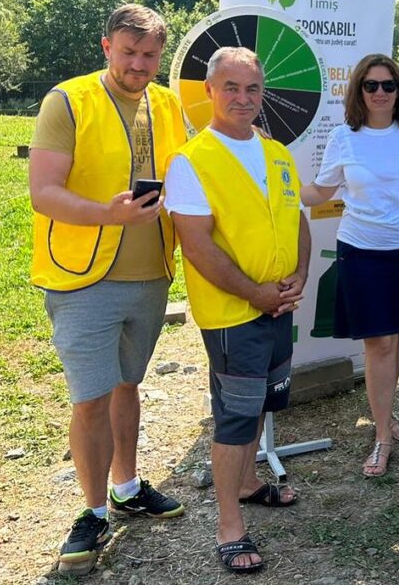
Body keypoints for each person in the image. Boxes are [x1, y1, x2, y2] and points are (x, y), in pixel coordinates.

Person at [29, 4, 187, 576]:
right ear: (106, 47)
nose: (139, 64)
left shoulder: (168, 104)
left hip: (151, 275)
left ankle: (127, 487)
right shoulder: (67, 101)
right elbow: (43, 192)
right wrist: (108, 214)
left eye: (149, 55)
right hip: (82, 278)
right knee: (92, 397)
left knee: (127, 384)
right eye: (128, 52)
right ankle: (93, 513)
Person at [165, 47, 310, 574]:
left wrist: (300, 274)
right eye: (231, 87)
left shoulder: (276, 152)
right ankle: (229, 526)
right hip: (235, 314)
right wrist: (255, 293)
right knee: (234, 417)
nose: (243, 98)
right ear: (209, 91)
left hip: (278, 305)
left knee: (263, 401)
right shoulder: (191, 161)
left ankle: (248, 483)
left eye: (252, 88)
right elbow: (197, 246)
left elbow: (297, 221)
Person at [301, 54, 399, 477]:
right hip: (360, 252)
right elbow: (321, 191)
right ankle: (382, 436)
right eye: (371, 85)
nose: (380, 92)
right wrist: (279, 186)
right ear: (358, 91)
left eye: (388, 85)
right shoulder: (344, 138)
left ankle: (386, 410)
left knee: (395, 338)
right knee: (379, 343)